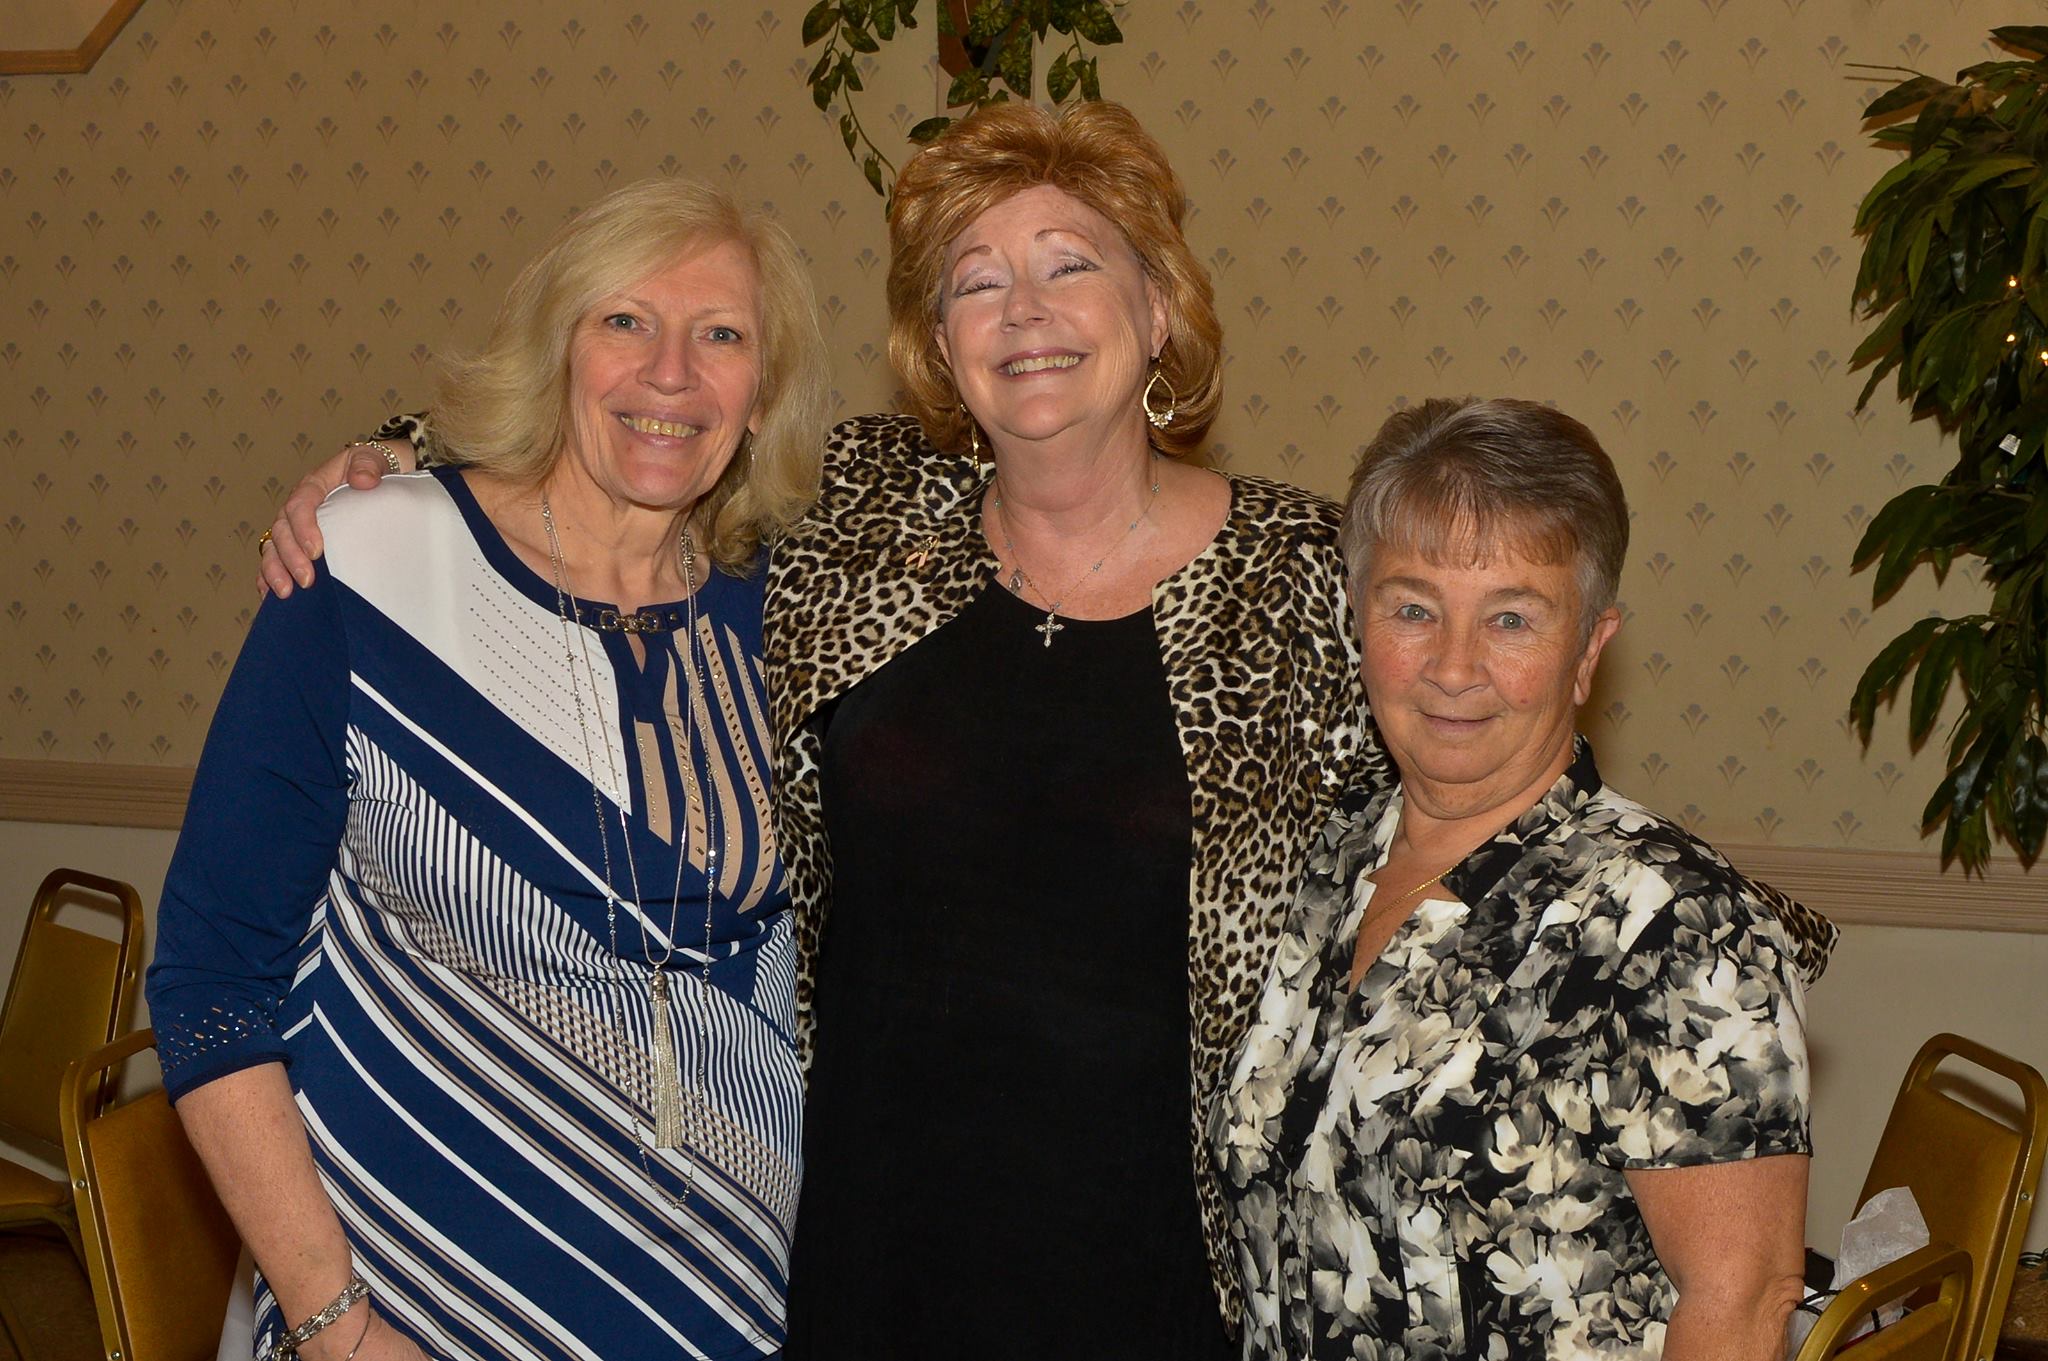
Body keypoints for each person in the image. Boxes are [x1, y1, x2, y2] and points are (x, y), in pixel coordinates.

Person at [258, 106, 1836, 1358]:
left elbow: (1506, 820)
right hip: (861, 1254)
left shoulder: (1306, 574)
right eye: (975, 281)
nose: (1024, 313)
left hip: (1167, 1280)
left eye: (1070, 265)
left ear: (1159, 309)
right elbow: (645, 439)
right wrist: (394, 465)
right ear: (942, 345)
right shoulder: (857, 517)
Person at [148, 176, 830, 1360]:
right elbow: (211, 979)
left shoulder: (782, 611)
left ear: (762, 394)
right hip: (416, 1304)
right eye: (624, 320)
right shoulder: (371, 564)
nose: (670, 372)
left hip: (721, 1302)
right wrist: (335, 1323)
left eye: (721, 335)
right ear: (558, 346)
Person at [1210, 397, 1813, 1361]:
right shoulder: (1330, 858)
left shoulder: (1675, 926)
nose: (1454, 667)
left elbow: (1741, 1306)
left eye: (1511, 618)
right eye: (1414, 608)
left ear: (1587, 651)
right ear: (1357, 618)